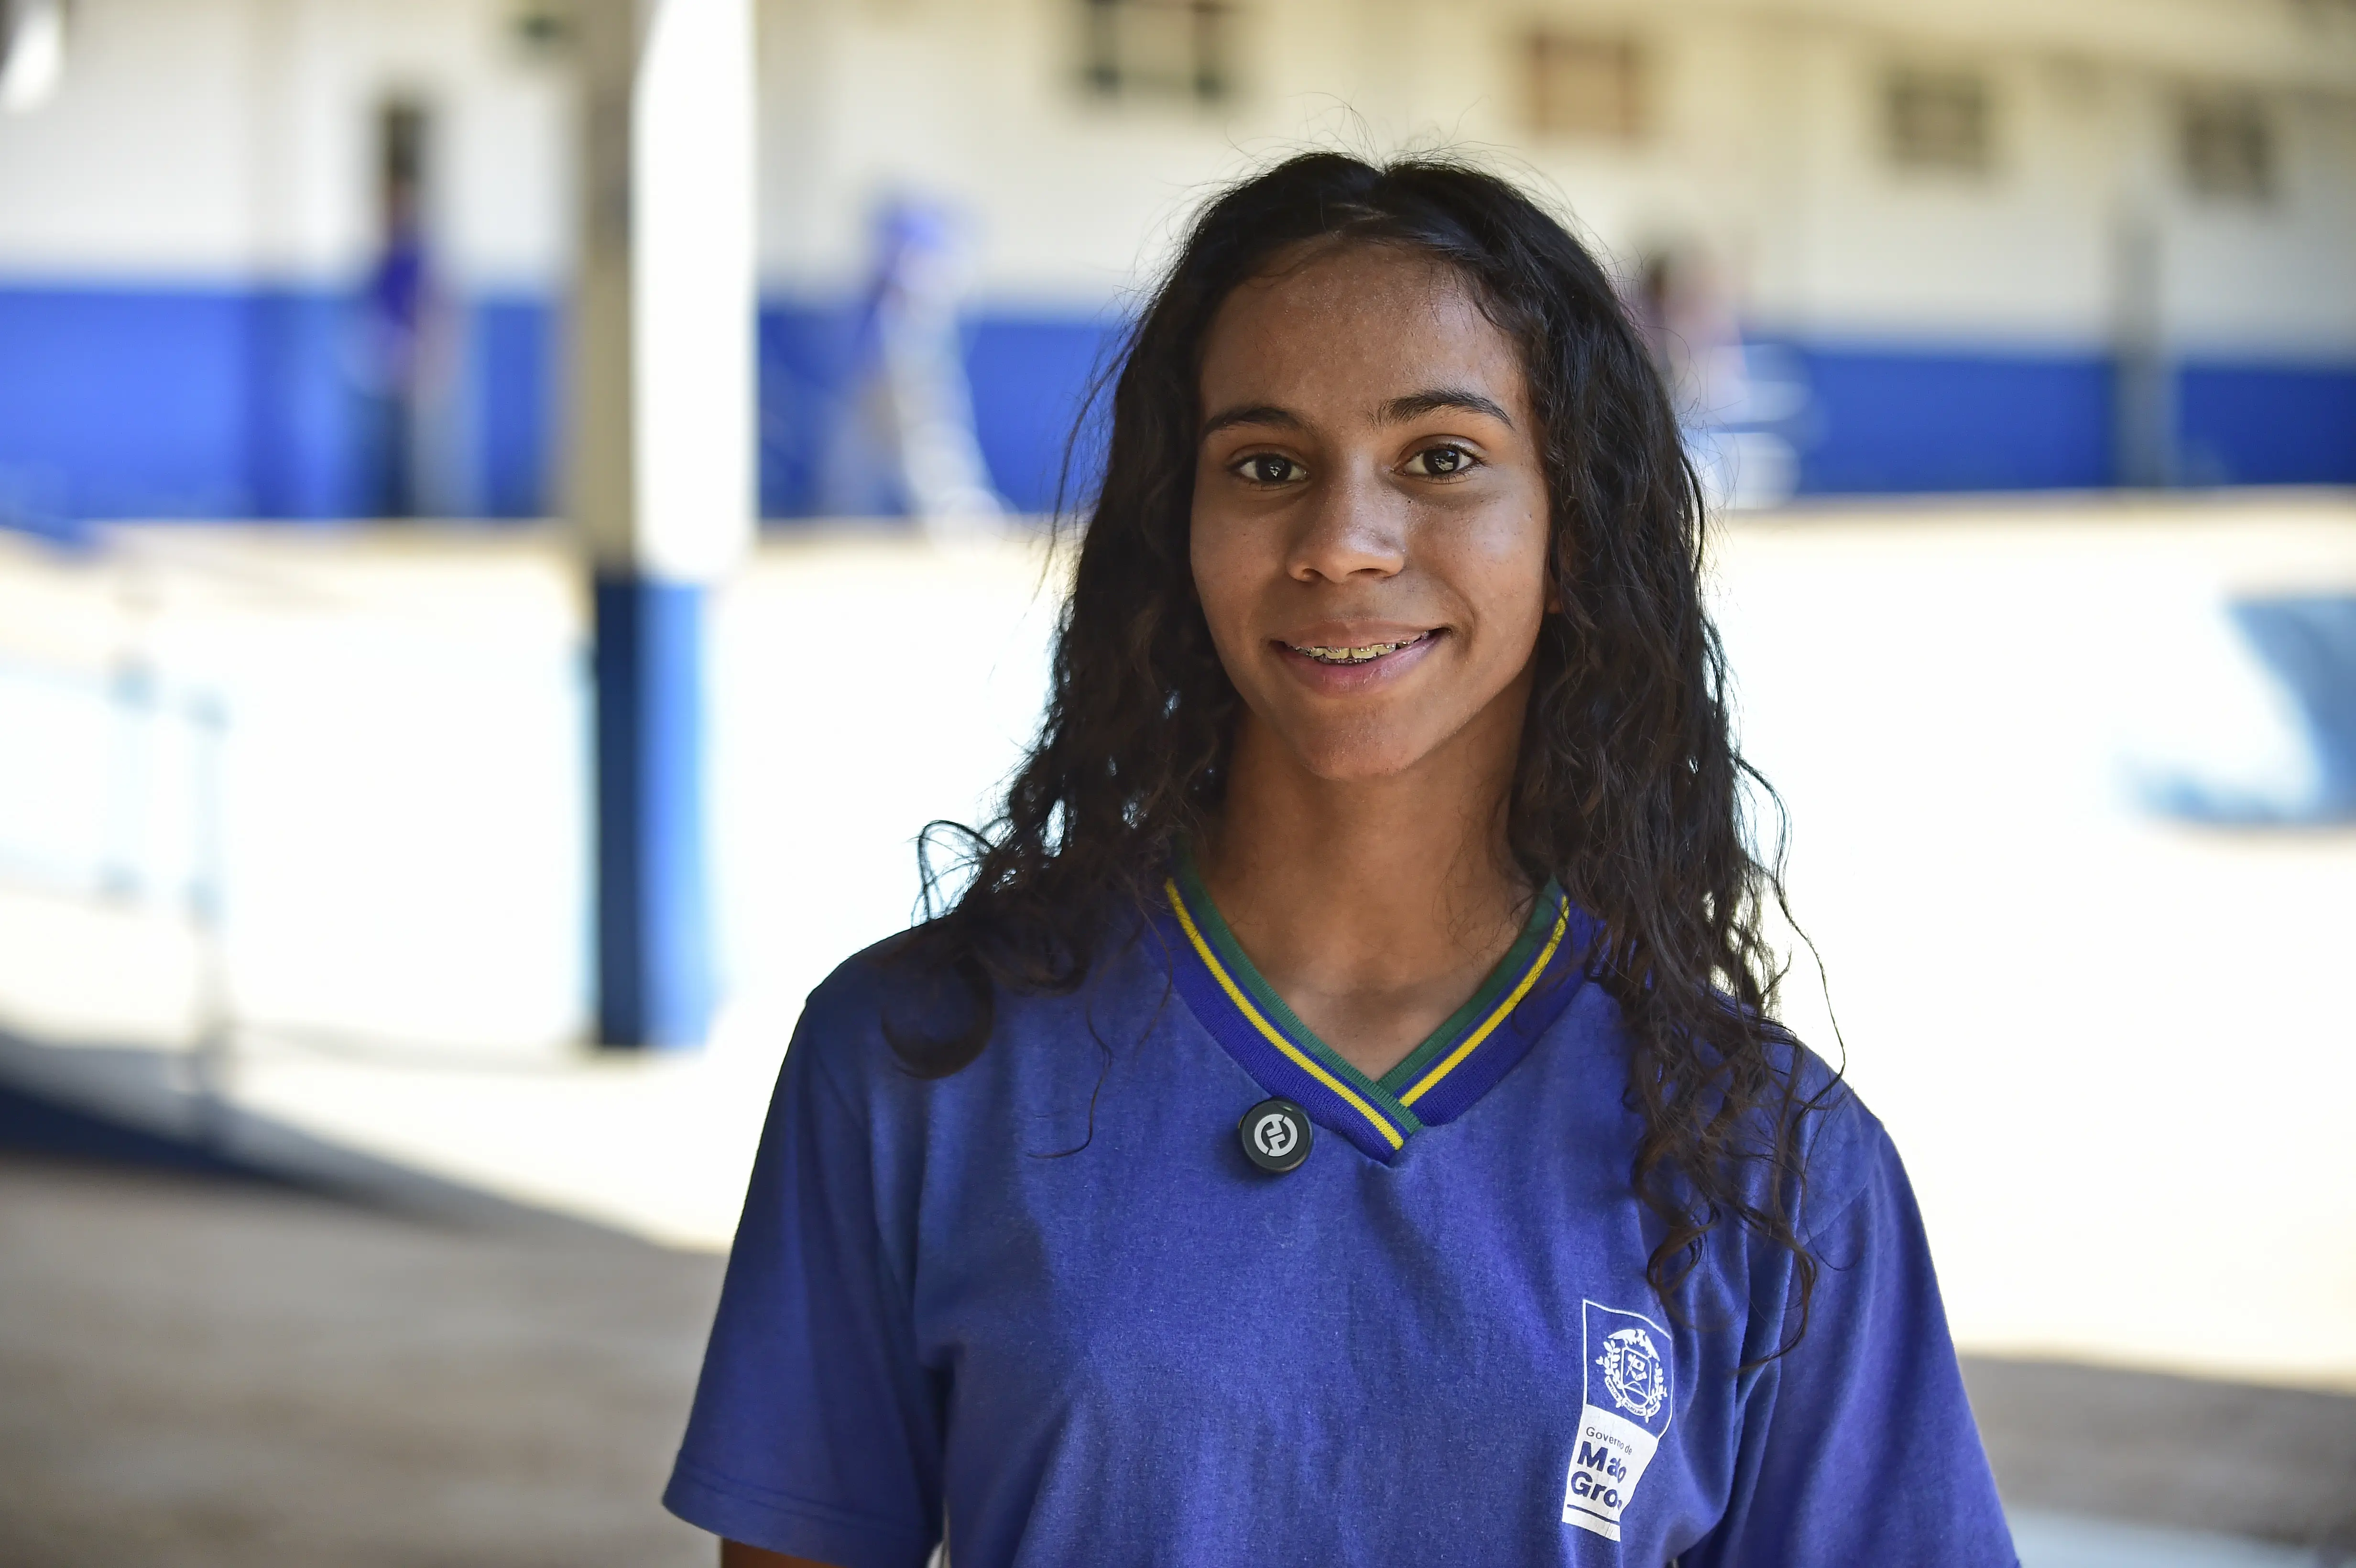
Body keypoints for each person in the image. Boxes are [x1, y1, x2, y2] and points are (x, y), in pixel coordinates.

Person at [664, 152, 2015, 1568]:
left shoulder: (1767, 1160)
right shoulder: (923, 1061)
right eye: (1266, 465)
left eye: (1441, 459)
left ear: (1572, 521)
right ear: (1173, 524)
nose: (1342, 543)